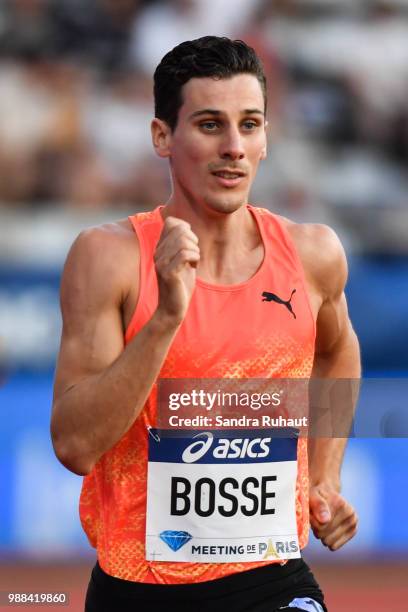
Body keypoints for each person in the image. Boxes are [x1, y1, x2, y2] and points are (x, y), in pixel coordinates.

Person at [51, 36, 360, 612]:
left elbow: (338, 352)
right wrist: (168, 315)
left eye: (250, 124)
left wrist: (324, 476)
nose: (235, 148)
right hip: (139, 588)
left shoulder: (314, 254)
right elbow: (74, 445)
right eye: (211, 125)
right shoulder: (108, 257)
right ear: (162, 137)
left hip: (272, 577)